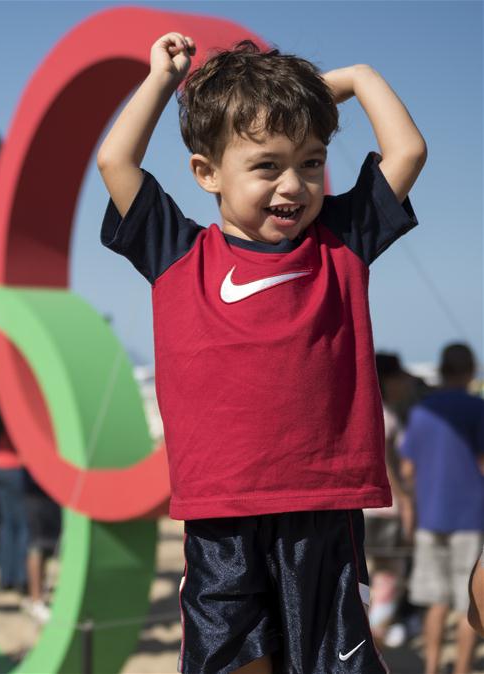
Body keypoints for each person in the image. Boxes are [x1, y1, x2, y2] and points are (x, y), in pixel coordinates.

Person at [97, 33, 425, 673]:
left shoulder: (341, 241)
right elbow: (116, 161)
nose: (294, 184)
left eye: (310, 161)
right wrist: (164, 80)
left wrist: (355, 77)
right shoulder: (176, 254)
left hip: (323, 509)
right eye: (266, 164)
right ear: (206, 172)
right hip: (221, 518)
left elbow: (407, 149)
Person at [399, 342, 484, 674]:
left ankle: (431, 669)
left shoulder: (422, 411)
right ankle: (461, 670)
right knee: (471, 604)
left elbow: (407, 469)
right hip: (471, 516)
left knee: (434, 603)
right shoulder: (477, 409)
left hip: (430, 516)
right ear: (469, 370)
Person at [364, 352, 416, 647]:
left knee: (370, 573)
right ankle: (375, 637)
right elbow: (388, 465)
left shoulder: (365, 409)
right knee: (389, 576)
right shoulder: (386, 414)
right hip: (386, 509)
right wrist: (407, 503)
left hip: (364, 510)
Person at [0, 434, 28, 594]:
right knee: (23, 525)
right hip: (15, 467)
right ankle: (21, 578)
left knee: (7, 524)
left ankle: (5, 578)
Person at [20, 470, 61, 625]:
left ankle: (37, 598)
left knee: (45, 546)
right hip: (36, 491)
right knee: (36, 545)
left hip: (54, 490)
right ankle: (36, 601)